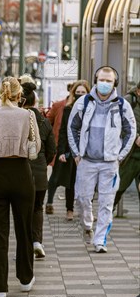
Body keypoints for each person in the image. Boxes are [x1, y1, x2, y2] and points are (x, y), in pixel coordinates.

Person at [0, 76, 40, 297]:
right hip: (21, 173)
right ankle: (25, 279)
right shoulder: (27, 115)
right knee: (24, 229)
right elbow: (37, 147)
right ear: (18, 95)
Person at [67, 66, 136, 253]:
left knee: (106, 202)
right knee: (82, 198)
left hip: (110, 163)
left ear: (115, 83)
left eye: (109, 80)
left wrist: (120, 156)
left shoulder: (122, 105)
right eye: (101, 80)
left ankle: (100, 241)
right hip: (86, 161)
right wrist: (76, 154)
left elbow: (131, 131)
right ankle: (88, 223)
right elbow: (72, 128)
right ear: (95, 80)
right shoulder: (84, 102)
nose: (104, 83)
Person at [19, 77, 56, 259]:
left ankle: (25, 246)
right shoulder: (43, 121)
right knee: (37, 208)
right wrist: (43, 161)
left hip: (20, 171)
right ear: (35, 101)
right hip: (40, 172)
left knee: (21, 210)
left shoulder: (17, 120)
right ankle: (37, 242)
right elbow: (52, 150)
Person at [54, 80, 91, 221]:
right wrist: (62, 151)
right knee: (71, 181)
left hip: (88, 151)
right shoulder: (68, 109)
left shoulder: (93, 108)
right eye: (78, 92)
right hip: (72, 150)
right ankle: (69, 209)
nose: (80, 95)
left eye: (83, 92)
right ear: (73, 93)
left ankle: (86, 210)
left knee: (88, 182)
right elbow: (63, 131)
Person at [45, 83, 72, 214]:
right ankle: (49, 202)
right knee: (56, 175)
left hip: (76, 149)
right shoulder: (59, 106)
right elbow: (48, 122)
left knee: (73, 178)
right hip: (60, 146)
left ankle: (71, 209)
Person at [114, 81, 140, 211]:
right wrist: (135, 137)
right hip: (130, 156)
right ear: (138, 91)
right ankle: (106, 216)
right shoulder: (128, 102)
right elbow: (119, 125)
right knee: (118, 189)